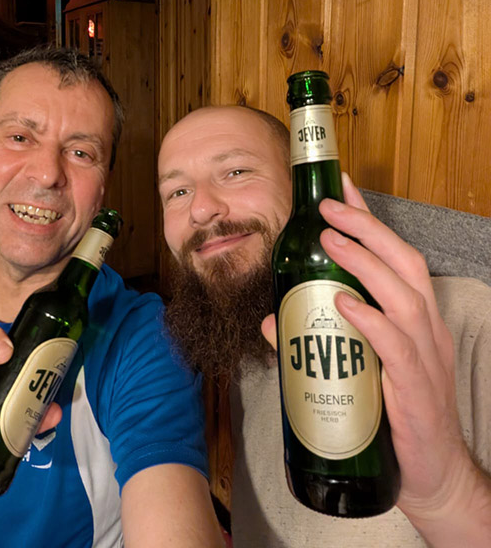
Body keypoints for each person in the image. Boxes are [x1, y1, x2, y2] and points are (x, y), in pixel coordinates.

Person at [0, 46, 224, 547]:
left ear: (102, 191)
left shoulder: (144, 339)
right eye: (20, 136)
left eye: (81, 152)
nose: (48, 173)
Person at [158, 103, 491, 547]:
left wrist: (449, 494)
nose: (201, 209)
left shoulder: (470, 318)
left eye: (236, 172)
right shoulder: (248, 340)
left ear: (302, 184)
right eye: (177, 192)